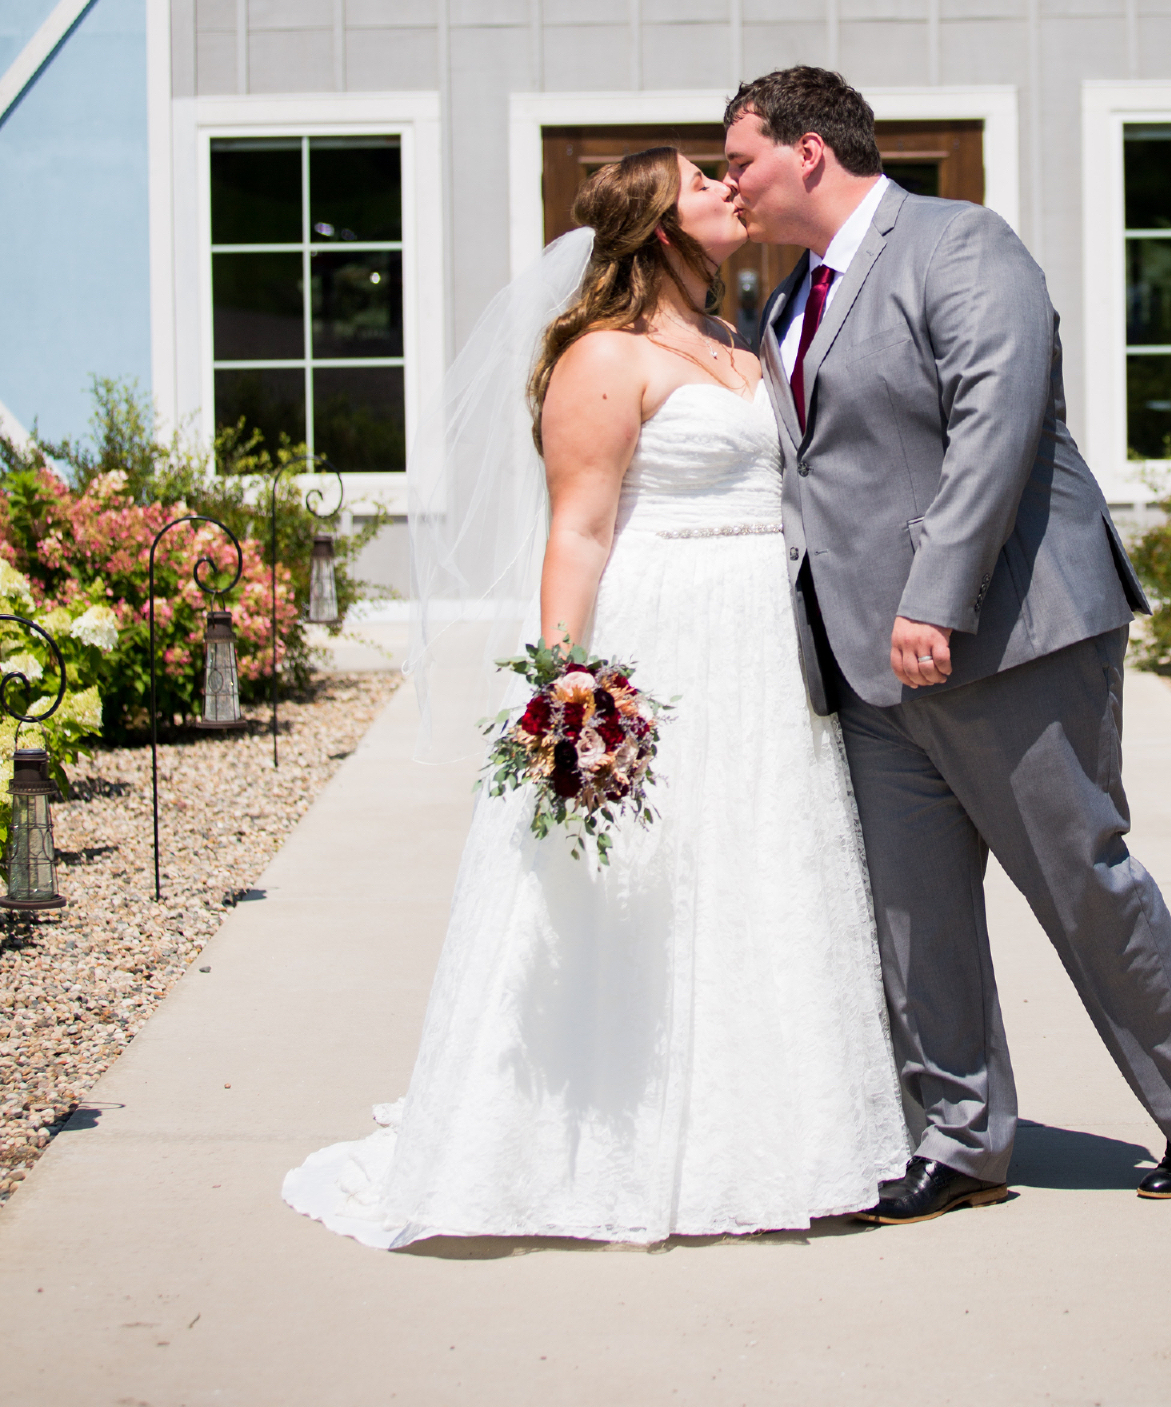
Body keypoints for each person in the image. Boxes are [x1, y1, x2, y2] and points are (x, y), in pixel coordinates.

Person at [283, 148, 907, 1246]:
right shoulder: (602, 356)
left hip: (765, 645)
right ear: (660, 228)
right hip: (666, 630)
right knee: (652, 872)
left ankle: (779, 1131)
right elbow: (577, 531)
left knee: (761, 862)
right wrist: (565, 689)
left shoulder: (735, 339)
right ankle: (602, 1134)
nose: (728, 188)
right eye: (703, 183)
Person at [722, 67, 1171, 1222]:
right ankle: (962, 1140)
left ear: (807, 150)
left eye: (740, 161)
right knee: (914, 919)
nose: (731, 186)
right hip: (865, 665)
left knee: (1078, 882)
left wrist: (936, 599)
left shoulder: (960, 244)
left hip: (1009, 638)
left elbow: (995, 426)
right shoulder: (781, 302)